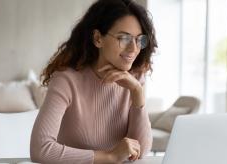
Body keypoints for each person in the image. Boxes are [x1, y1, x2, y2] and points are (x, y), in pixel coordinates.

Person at [30, 0, 157, 163]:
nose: (134, 49)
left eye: (140, 40)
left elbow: (141, 152)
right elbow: (40, 149)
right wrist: (110, 157)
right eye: (124, 38)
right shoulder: (67, 80)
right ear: (98, 38)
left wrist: (137, 93)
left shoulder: (135, 79)